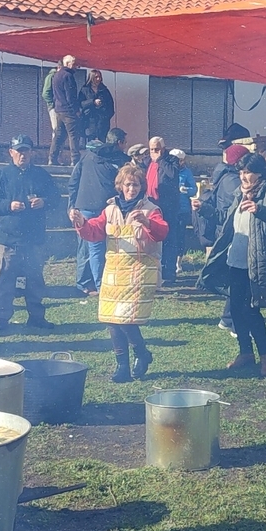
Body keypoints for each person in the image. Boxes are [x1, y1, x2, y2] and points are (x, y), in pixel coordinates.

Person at [73, 165, 168, 382]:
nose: (131, 189)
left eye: (135, 185)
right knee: (111, 319)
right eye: (128, 185)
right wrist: (81, 223)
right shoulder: (110, 210)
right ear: (120, 186)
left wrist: (147, 222)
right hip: (114, 272)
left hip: (139, 271)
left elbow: (162, 232)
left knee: (126, 319)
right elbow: (94, 232)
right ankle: (122, 365)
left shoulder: (151, 209)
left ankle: (141, 353)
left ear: (141, 186)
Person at [198, 153, 266, 377]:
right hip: (235, 261)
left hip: (256, 263)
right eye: (241, 172)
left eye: (248, 172)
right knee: (237, 310)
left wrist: (260, 210)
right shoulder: (239, 195)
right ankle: (245, 352)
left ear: (260, 173)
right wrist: (203, 209)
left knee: (251, 310)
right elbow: (225, 218)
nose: (244, 176)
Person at [0, 135, 62, 331]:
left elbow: (56, 197)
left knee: (35, 281)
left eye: (26, 150)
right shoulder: (2, 175)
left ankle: (36, 318)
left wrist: (44, 201)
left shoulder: (41, 175)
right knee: (4, 282)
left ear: (31, 152)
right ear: (11, 152)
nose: (22, 154)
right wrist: (7, 205)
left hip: (34, 239)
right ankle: (2, 320)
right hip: (9, 239)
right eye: (18, 150)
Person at [193, 143, 249, 336]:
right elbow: (227, 213)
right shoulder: (233, 182)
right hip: (233, 234)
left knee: (235, 279)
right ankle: (236, 324)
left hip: (224, 233)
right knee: (238, 280)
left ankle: (227, 319)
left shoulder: (223, 176)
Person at [69, 129, 127, 295]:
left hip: (84, 206)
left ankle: (85, 283)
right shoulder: (119, 159)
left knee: (87, 247)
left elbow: (73, 181)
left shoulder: (87, 155)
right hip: (105, 208)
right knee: (101, 247)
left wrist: (72, 205)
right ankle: (101, 285)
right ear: (119, 143)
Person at [144, 136, 183, 284]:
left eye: (157, 149)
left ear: (163, 148)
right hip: (152, 205)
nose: (154, 152)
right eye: (152, 149)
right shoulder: (148, 161)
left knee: (169, 239)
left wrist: (160, 160)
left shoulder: (171, 160)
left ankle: (169, 272)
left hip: (168, 207)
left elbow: (173, 174)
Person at [48, 55, 82, 166]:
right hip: (68, 111)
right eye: (74, 63)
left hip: (59, 110)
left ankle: (52, 158)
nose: (76, 66)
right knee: (73, 135)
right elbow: (70, 96)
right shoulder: (68, 76)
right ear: (68, 64)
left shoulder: (56, 75)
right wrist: (76, 110)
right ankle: (75, 160)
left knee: (59, 135)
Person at [172, 148, 196, 274]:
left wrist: (185, 190)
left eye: (182, 160)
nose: (181, 163)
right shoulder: (168, 170)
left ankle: (178, 263)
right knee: (170, 236)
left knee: (180, 236)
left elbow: (194, 190)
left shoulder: (187, 172)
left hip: (183, 209)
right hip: (170, 209)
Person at [78, 70, 115, 144]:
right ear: (91, 78)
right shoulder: (85, 90)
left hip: (102, 120)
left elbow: (111, 105)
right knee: (90, 141)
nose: (98, 79)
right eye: (96, 77)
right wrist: (92, 102)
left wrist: (106, 116)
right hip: (90, 120)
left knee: (102, 141)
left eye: (100, 77)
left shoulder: (104, 90)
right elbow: (80, 103)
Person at [41, 60, 60, 139]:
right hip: (54, 107)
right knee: (56, 129)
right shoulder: (51, 76)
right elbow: (45, 93)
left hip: (60, 107)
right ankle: (55, 150)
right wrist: (52, 104)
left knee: (60, 130)